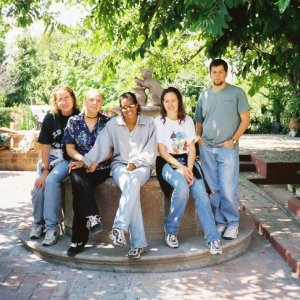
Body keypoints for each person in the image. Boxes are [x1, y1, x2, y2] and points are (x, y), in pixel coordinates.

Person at [82, 92, 156, 259]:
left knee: (134, 181)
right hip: (119, 165)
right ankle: (137, 244)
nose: (128, 109)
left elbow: (151, 151)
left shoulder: (149, 124)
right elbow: (101, 146)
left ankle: (120, 228)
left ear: (137, 105)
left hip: (142, 166)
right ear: (120, 109)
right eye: (124, 106)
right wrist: (85, 161)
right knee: (131, 187)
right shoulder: (113, 124)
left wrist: (135, 163)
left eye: (131, 105)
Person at [154, 87, 222, 255]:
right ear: (163, 103)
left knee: (200, 192)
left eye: (173, 100)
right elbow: (162, 151)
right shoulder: (158, 122)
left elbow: (192, 147)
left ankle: (213, 239)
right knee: (182, 187)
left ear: (179, 102)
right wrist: (181, 168)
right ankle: (171, 230)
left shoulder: (187, 121)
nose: (170, 104)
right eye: (166, 100)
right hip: (167, 161)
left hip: (188, 160)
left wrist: (190, 168)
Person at [195, 58, 250, 240]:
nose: (217, 75)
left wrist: (233, 140)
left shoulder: (237, 93)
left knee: (228, 189)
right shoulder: (204, 95)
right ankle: (220, 222)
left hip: (227, 148)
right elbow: (199, 121)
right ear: (210, 74)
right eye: (214, 72)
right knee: (214, 189)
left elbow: (245, 119)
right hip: (207, 149)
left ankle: (233, 223)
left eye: (220, 71)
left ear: (226, 73)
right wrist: (199, 140)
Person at [62, 89, 111, 256]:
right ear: (85, 102)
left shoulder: (108, 123)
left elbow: (112, 150)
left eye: (98, 100)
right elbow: (69, 148)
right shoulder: (74, 121)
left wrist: (96, 162)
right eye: (91, 100)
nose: (95, 103)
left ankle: (78, 239)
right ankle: (93, 218)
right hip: (79, 164)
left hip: (101, 166)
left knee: (79, 193)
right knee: (77, 179)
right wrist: (84, 161)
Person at [30, 85, 79, 246]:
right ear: (56, 102)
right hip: (49, 157)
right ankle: (39, 224)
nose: (64, 102)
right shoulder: (51, 118)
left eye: (67, 97)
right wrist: (45, 169)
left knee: (51, 182)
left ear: (73, 98)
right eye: (60, 99)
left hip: (66, 158)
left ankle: (52, 228)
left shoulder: (80, 116)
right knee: (38, 188)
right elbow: (44, 144)